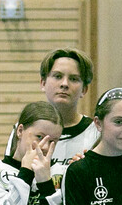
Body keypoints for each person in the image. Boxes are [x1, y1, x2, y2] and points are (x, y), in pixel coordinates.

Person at [39, 48, 99, 191]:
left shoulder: (97, 133)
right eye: (57, 76)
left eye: (73, 79)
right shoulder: (24, 129)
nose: (64, 84)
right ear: (43, 83)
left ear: (84, 90)